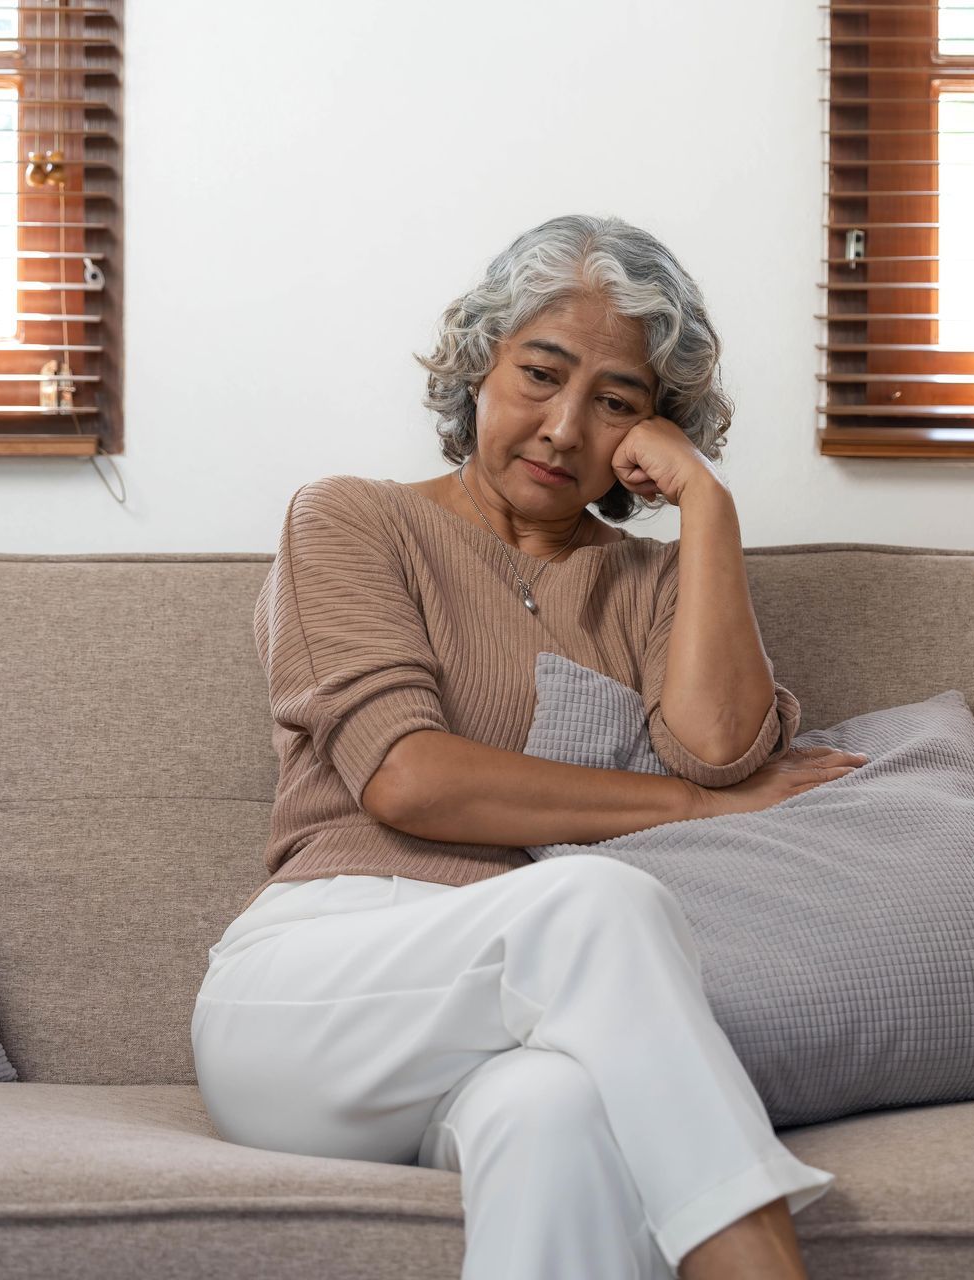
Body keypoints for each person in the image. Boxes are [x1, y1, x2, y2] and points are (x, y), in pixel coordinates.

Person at [190, 213, 868, 1280]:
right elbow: (410, 777)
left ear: (654, 432)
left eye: (615, 403)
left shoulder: (651, 587)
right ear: (477, 370)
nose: (562, 429)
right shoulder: (350, 519)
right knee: (604, 899)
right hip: (319, 992)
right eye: (539, 376)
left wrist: (707, 506)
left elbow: (721, 747)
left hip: (516, 1025)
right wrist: (692, 815)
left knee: (563, 1114)